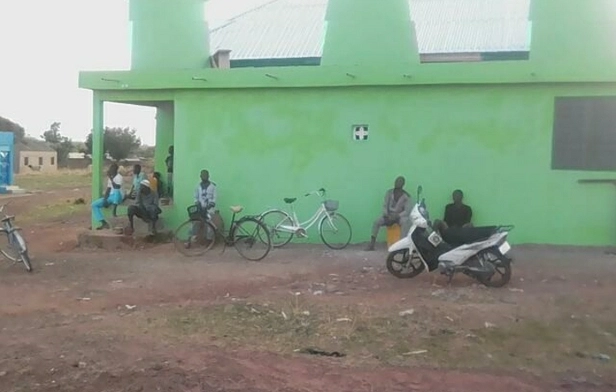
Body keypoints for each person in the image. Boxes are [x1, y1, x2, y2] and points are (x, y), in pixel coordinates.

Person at [365, 176, 411, 251]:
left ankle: (403, 246)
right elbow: (385, 205)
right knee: (376, 222)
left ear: (403, 184)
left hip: (398, 217)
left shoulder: (406, 196)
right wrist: (386, 214)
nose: (397, 183)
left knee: (406, 222)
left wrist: (397, 216)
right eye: (396, 181)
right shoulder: (389, 193)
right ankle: (372, 244)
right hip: (388, 216)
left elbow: (407, 211)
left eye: (399, 182)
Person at [186, 170, 217, 248]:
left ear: (208, 176)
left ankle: (209, 241)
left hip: (209, 209)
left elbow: (214, 198)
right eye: (202, 175)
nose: (204, 177)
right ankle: (189, 240)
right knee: (193, 222)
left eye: (205, 175)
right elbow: (195, 197)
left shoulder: (213, 186)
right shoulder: (197, 186)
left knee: (210, 223)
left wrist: (210, 204)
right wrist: (197, 204)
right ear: (200, 177)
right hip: (200, 209)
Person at [91, 163, 123, 230]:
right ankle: (103, 223)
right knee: (94, 205)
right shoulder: (110, 178)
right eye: (110, 169)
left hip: (119, 196)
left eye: (112, 169)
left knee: (116, 191)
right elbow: (108, 189)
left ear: (116, 170)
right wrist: (105, 199)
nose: (111, 170)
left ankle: (114, 209)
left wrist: (111, 178)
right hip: (111, 197)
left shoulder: (119, 177)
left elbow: (116, 187)